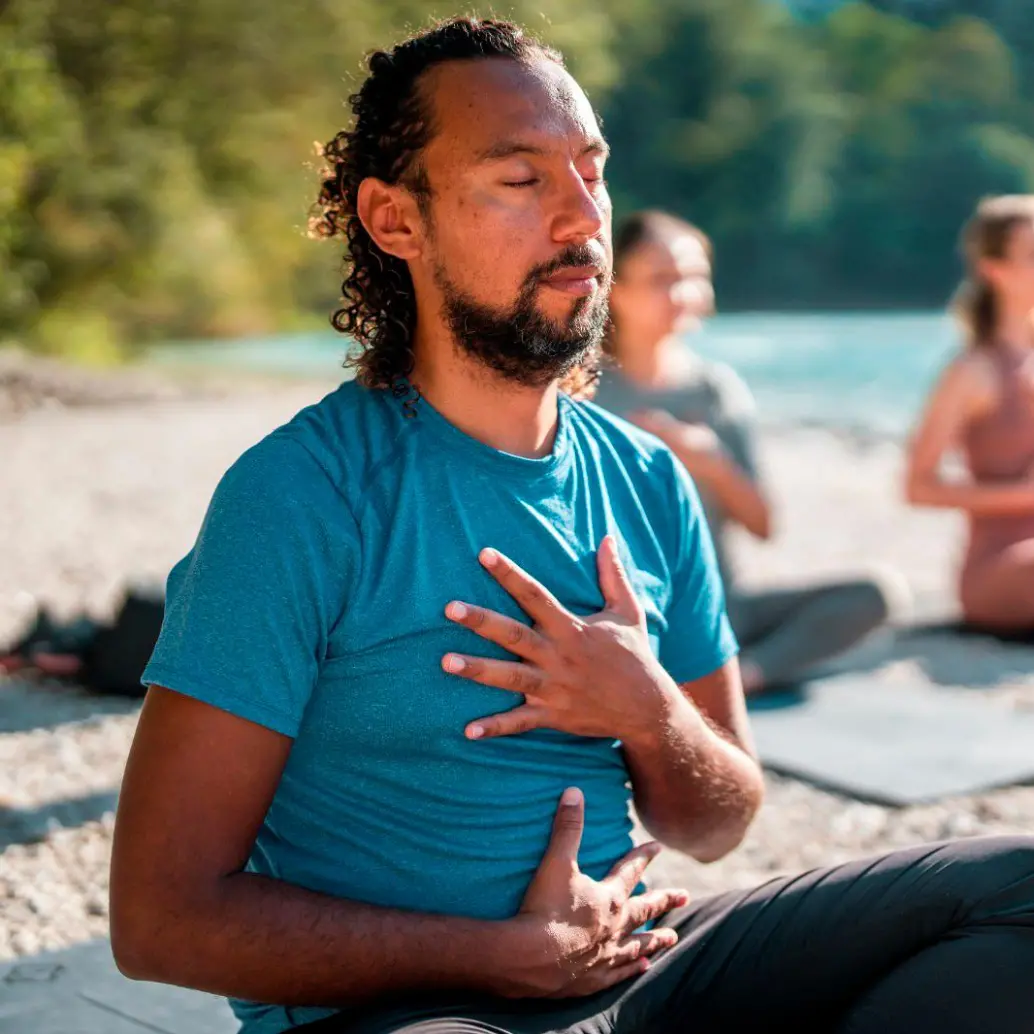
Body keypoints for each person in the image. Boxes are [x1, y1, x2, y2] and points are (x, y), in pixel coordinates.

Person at [110, 18, 1034, 1034]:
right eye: (520, 179)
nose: (580, 216)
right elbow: (160, 918)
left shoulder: (643, 475)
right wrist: (496, 957)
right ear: (393, 219)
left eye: (588, 171)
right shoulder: (299, 495)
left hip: (638, 964)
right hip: (413, 1008)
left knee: (1014, 889)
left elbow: (718, 820)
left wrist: (647, 710)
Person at [594, 210, 907, 693]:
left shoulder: (716, 391)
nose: (681, 293)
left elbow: (763, 525)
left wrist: (709, 463)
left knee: (878, 595)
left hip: (720, 610)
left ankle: (743, 677)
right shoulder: (584, 389)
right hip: (617, 610)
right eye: (661, 278)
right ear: (615, 287)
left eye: (693, 277)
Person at [906, 195, 1034, 632]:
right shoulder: (972, 370)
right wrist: (1023, 495)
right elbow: (917, 487)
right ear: (993, 270)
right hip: (1001, 569)